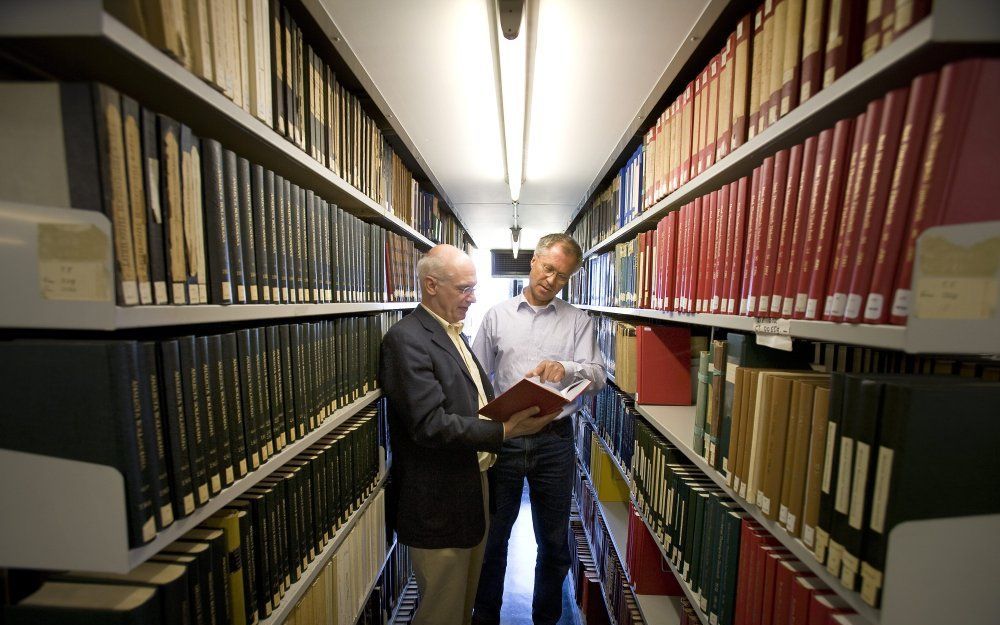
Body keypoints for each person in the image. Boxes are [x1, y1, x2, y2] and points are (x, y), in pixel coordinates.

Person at [380, 244, 559, 625]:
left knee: (462, 607)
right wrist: (504, 430)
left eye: (473, 288)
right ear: (431, 285)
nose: (473, 298)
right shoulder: (406, 339)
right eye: (464, 289)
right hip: (439, 501)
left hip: (472, 488)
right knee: (441, 611)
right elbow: (429, 424)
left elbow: (469, 399)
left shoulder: (453, 333)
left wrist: (514, 397)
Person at [471, 233, 607, 625]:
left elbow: (597, 373)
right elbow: (478, 376)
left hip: (555, 443)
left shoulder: (579, 321)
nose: (551, 280)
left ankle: (545, 618)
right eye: (548, 269)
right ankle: (486, 618)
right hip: (506, 440)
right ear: (533, 262)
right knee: (494, 542)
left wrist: (568, 368)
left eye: (562, 277)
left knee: (553, 544)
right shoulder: (497, 316)